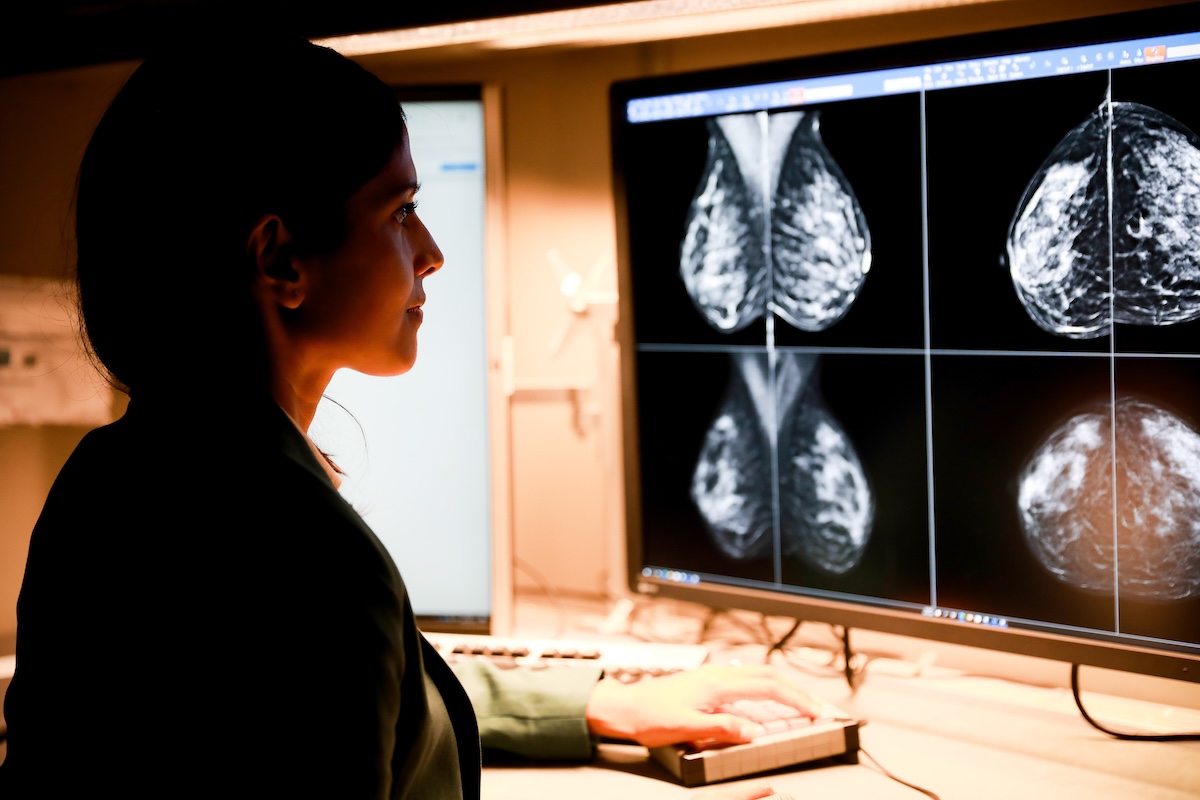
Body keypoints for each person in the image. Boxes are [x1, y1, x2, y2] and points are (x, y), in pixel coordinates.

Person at [0, 31, 814, 798]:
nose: (430, 250)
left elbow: (328, 699)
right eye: (398, 213)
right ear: (280, 259)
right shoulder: (306, 560)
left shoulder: (104, 484)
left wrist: (594, 703)